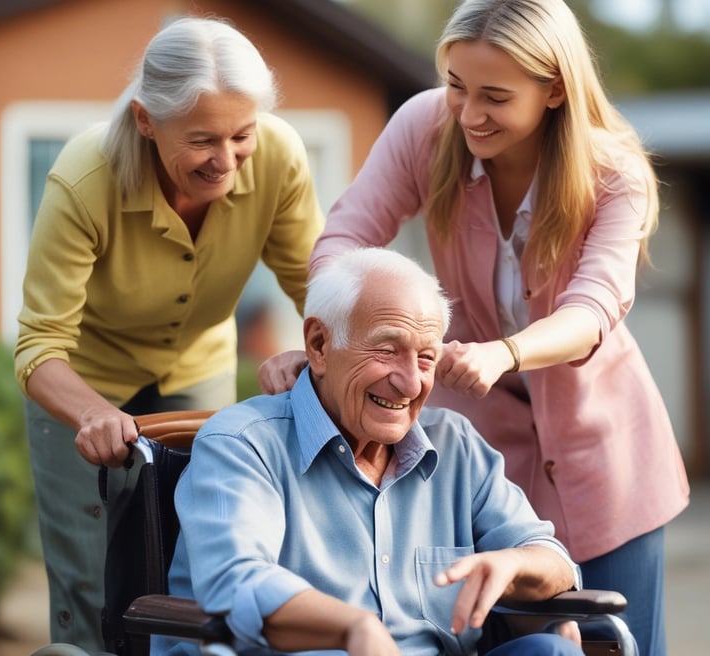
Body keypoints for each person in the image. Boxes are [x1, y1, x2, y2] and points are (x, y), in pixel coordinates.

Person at [257, 2, 689, 655]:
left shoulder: (613, 174)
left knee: (615, 640)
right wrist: (331, 340)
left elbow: (594, 308)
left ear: (554, 90)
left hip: (606, 460)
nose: (468, 113)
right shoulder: (425, 127)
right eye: (457, 85)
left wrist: (504, 353)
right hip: (490, 461)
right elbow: (346, 237)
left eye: (495, 96)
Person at [14, 16, 324, 652]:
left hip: (196, 368)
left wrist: (317, 348)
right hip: (82, 386)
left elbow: (315, 287)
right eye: (203, 140)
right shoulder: (84, 179)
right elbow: (39, 346)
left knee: (198, 563)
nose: (227, 161)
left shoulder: (280, 157)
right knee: (92, 586)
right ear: (146, 119)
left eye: (242, 135)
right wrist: (95, 415)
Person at [153, 247, 585, 656]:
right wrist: (353, 627)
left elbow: (551, 558)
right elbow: (236, 582)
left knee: (553, 649)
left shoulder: (457, 445)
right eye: (387, 350)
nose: (410, 383)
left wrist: (514, 565)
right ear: (319, 345)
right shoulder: (242, 444)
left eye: (426, 358)